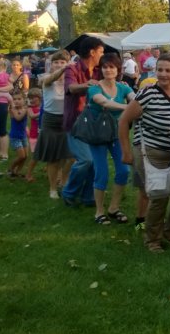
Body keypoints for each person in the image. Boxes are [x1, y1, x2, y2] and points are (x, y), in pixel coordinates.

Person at [119, 53, 170, 250]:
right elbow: (123, 120)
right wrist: (126, 152)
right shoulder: (148, 93)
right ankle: (152, 239)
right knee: (159, 196)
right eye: (159, 70)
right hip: (150, 151)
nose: (163, 74)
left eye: (168, 70)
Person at [88, 53, 135, 225]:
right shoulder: (94, 88)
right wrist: (127, 107)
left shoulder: (124, 88)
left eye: (112, 67)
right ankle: (99, 212)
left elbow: (136, 99)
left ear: (118, 69)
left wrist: (137, 102)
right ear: (100, 69)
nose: (108, 70)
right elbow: (105, 103)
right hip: (98, 135)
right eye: (105, 67)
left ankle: (114, 208)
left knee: (124, 171)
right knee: (102, 172)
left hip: (116, 134)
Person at [62, 37, 104, 208]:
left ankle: (88, 197)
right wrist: (87, 85)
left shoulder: (99, 70)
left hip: (93, 123)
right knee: (86, 160)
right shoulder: (72, 68)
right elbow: (71, 88)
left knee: (94, 161)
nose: (102, 55)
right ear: (92, 52)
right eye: (101, 52)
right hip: (75, 122)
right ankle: (69, 192)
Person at [34, 50, 74, 200]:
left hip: (68, 120)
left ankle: (63, 181)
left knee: (71, 156)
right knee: (53, 158)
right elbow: (50, 79)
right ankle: (52, 189)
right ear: (51, 64)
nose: (59, 64)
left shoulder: (71, 80)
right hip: (51, 121)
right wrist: (65, 68)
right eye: (56, 62)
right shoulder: (45, 77)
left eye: (62, 62)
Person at [7, 93, 29, 178]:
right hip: (15, 136)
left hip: (23, 136)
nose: (16, 101)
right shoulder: (13, 110)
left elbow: (26, 121)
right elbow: (18, 118)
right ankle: (11, 169)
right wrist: (25, 111)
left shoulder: (24, 109)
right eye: (14, 99)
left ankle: (17, 172)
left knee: (25, 156)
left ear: (24, 100)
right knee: (21, 156)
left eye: (19, 99)